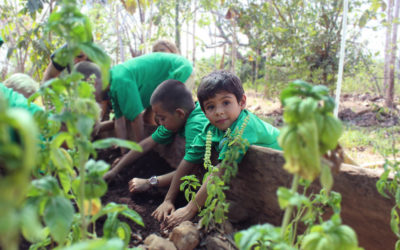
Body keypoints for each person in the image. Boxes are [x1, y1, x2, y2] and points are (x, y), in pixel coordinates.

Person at [152, 70, 281, 229]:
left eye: (226, 102)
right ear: (204, 112)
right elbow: (188, 160)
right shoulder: (210, 129)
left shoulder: (244, 126)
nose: (219, 111)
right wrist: (168, 199)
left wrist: (190, 209)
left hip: (285, 160)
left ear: (242, 102)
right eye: (211, 106)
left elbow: (221, 169)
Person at [103, 79, 208, 191]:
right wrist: (115, 170)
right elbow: (146, 144)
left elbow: (191, 171)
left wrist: (149, 182)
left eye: (162, 118)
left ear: (179, 113)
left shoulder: (195, 126)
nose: (159, 122)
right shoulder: (178, 119)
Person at [94, 52, 193, 149]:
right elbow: (119, 122)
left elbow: (136, 118)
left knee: (174, 119)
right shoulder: (113, 86)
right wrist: (123, 152)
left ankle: (189, 148)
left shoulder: (120, 80)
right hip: (159, 81)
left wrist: (140, 151)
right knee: (149, 119)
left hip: (179, 71)